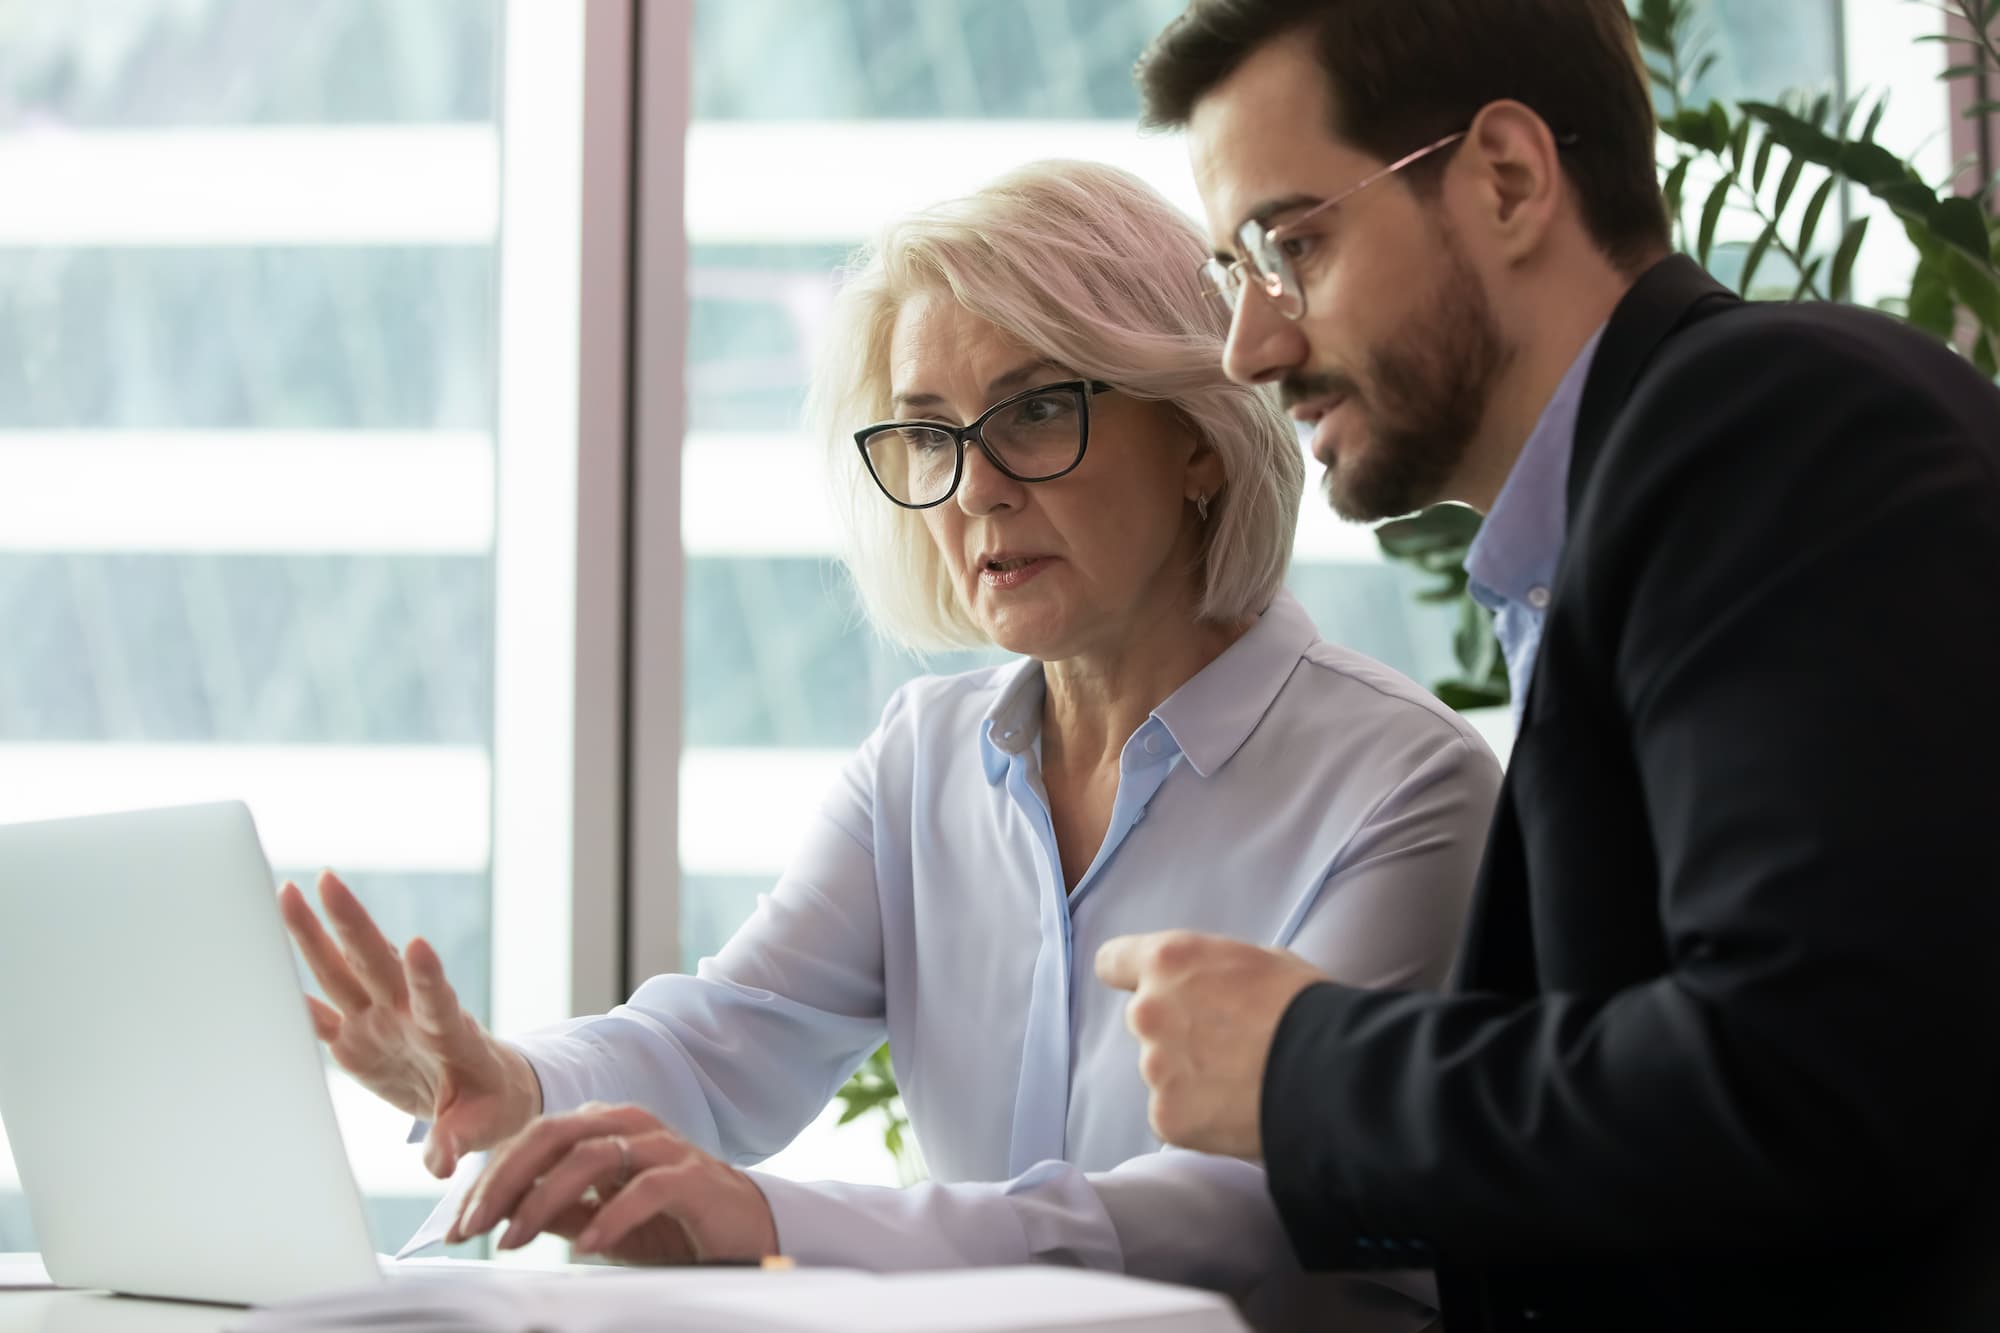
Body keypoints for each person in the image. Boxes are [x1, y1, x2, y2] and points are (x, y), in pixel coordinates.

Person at [281, 159, 1501, 1326]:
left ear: (1195, 431)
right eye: (928, 434)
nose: (972, 490)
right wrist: (513, 1083)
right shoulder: (923, 758)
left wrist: (762, 1220)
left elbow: (1236, 1216)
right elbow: (726, 1036)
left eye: (1031, 412)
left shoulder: (1404, 787)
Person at [1094, 2, 2000, 1330]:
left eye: (1292, 246)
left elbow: (1809, 1084)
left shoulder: (1768, 434)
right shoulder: (1653, 492)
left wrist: (1304, 1071)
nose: (1253, 346)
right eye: (1240, 272)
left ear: (1508, 178)